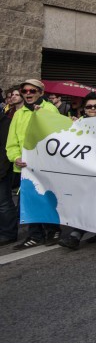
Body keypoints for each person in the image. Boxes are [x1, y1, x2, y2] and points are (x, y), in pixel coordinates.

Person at [7, 80, 61, 249]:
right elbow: (12, 141)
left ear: (40, 92)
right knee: (29, 199)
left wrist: (44, 115)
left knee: (47, 197)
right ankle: (34, 235)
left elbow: (60, 135)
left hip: (46, 165)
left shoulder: (50, 109)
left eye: (32, 90)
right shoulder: (19, 113)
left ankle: (53, 230)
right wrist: (15, 157)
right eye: (25, 90)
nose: (28, 93)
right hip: (25, 166)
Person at [58, 94, 96, 250]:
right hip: (85, 171)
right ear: (84, 109)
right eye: (89, 107)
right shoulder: (78, 124)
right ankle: (90, 232)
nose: (92, 109)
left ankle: (77, 235)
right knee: (87, 200)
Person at [0, 88, 24, 244]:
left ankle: (8, 234)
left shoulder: (5, 122)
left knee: (3, 203)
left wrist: (3, 170)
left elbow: (5, 147)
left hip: (2, 169)